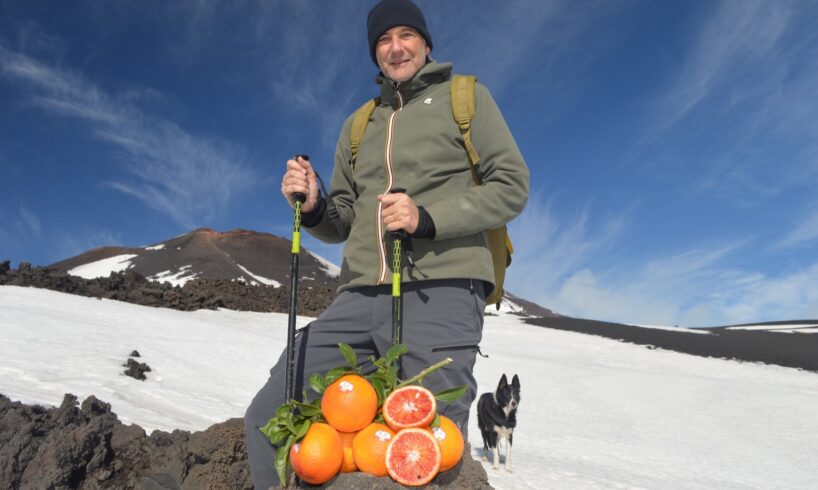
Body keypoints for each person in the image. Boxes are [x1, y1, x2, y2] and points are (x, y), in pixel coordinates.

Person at [245, 0, 529, 487]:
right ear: (374, 52)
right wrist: (313, 205)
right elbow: (345, 219)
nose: (395, 47)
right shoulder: (358, 126)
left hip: (440, 289)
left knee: (426, 454)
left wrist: (429, 218)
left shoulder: (467, 98)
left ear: (425, 41)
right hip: (357, 295)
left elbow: (511, 185)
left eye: (406, 34)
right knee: (270, 416)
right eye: (382, 39)